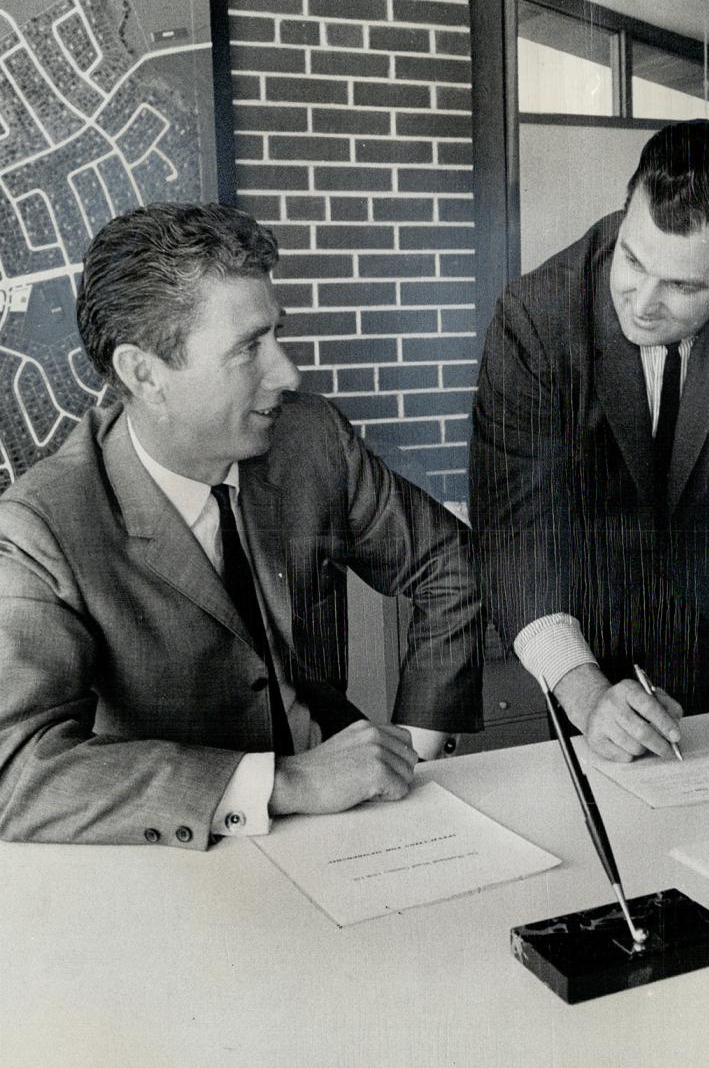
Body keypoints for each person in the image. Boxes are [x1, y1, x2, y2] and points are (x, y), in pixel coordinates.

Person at [0, 203, 484, 849]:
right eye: (248, 348)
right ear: (144, 374)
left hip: (345, 828)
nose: (287, 373)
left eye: (275, 334)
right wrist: (283, 783)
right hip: (178, 856)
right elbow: (18, 773)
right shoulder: (41, 530)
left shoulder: (310, 439)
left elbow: (450, 567)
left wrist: (416, 749)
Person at [470, 119, 709, 774]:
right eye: (631, 260)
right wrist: (586, 693)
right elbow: (514, 528)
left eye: (682, 285)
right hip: (583, 616)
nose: (643, 304)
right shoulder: (533, 318)